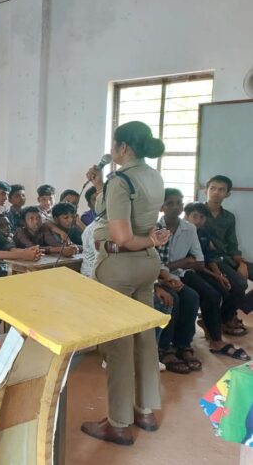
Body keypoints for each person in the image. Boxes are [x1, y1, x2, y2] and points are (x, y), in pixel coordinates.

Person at [81, 120, 172, 445]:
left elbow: (121, 235)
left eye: (113, 145)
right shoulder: (152, 175)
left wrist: (117, 243)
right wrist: (99, 183)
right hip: (147, 268)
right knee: (144, 336)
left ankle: (118, 423)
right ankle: (144, 409)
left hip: (121, 267)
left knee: (119, 346)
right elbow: (110, 210)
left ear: (123, 148)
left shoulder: (123, 180)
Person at [159, 188, 248, 361]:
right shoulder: (155, 229)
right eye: (170, 203)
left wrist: (181, 264)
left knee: (213, 294)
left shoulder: (189, 229)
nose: (176, 207)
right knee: (186, 298)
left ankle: (213, 341)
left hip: (185, 273)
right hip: (162, 275)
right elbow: (156, 264)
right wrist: (183, 261)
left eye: (179, 203)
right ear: (161, 207)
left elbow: (199, 261)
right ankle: (168, 346)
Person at [184, 202, 249, 334]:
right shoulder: (184, 233)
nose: (198, 221)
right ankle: (214, 325)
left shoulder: (203, 233)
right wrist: (216, 276)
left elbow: (209, 256)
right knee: (219, 292)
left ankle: (224, 319)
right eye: (194, 217)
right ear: (186, 216)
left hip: (209, 264)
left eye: (202, 217)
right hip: (190, 271)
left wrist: (219, 275)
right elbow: (196, 264)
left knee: (234, 285)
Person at [202, 175, 252, 327]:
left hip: (229, 258)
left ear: (227, 194)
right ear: (206, 191)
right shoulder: (196, 213)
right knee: (240, 284)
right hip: (210, 260)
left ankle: (238, 308)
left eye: (221, 189)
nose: (216, 192)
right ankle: (226, 318)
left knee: (240, 279)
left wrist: (241, 263)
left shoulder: (229, 217)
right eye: (213, 188)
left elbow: (232, 244)